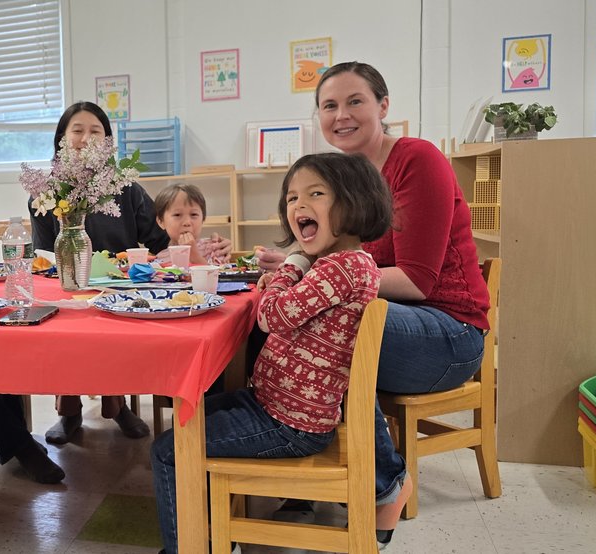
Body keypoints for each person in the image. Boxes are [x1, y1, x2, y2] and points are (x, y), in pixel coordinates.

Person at [256, 61, 491, 546]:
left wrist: (316, 280)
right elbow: (342, 260)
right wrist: (294, 262)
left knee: (330, 327)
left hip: (449, 333)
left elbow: (417, 280)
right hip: (391, 321)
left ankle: (384, 483)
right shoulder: (343, 176)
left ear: (384, 106)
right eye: (328, 105)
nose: (341, 115)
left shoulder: (417, 159)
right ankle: (300, 469)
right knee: (293, 323)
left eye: (354, 101)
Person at [151, 152, 394, 554]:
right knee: (187, 413)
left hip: (290, 423)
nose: (298, 205)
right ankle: (209, 533)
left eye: (315, 193)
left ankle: (188, 547)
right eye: (292, 198)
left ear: (356, 201)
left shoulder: (339, 267)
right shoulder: (343, 264)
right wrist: (294, 269)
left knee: (167, 449)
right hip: (277, 407)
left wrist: (293, 262)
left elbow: (271, 314)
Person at [33, 101, 233, 445]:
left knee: (110, 332)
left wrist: (198, 247)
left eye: (96, 131)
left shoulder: (126, 187)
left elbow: (159, 242)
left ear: (108, 143)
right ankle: (69, 411)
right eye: (77, 130)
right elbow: (43, 255)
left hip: (121, 288)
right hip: (67, 285)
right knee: (66, 333)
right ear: (62, 140)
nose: (86, 138)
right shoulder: (47, 192)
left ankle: (118, 404)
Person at [151, 183, 229, 266]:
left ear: (203, 218)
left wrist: (194, 256)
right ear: (160, 221)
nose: (187, 222)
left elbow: (220, 276)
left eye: (194, 215)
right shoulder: (160, 259)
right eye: (177, 215)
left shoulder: (214, 248)